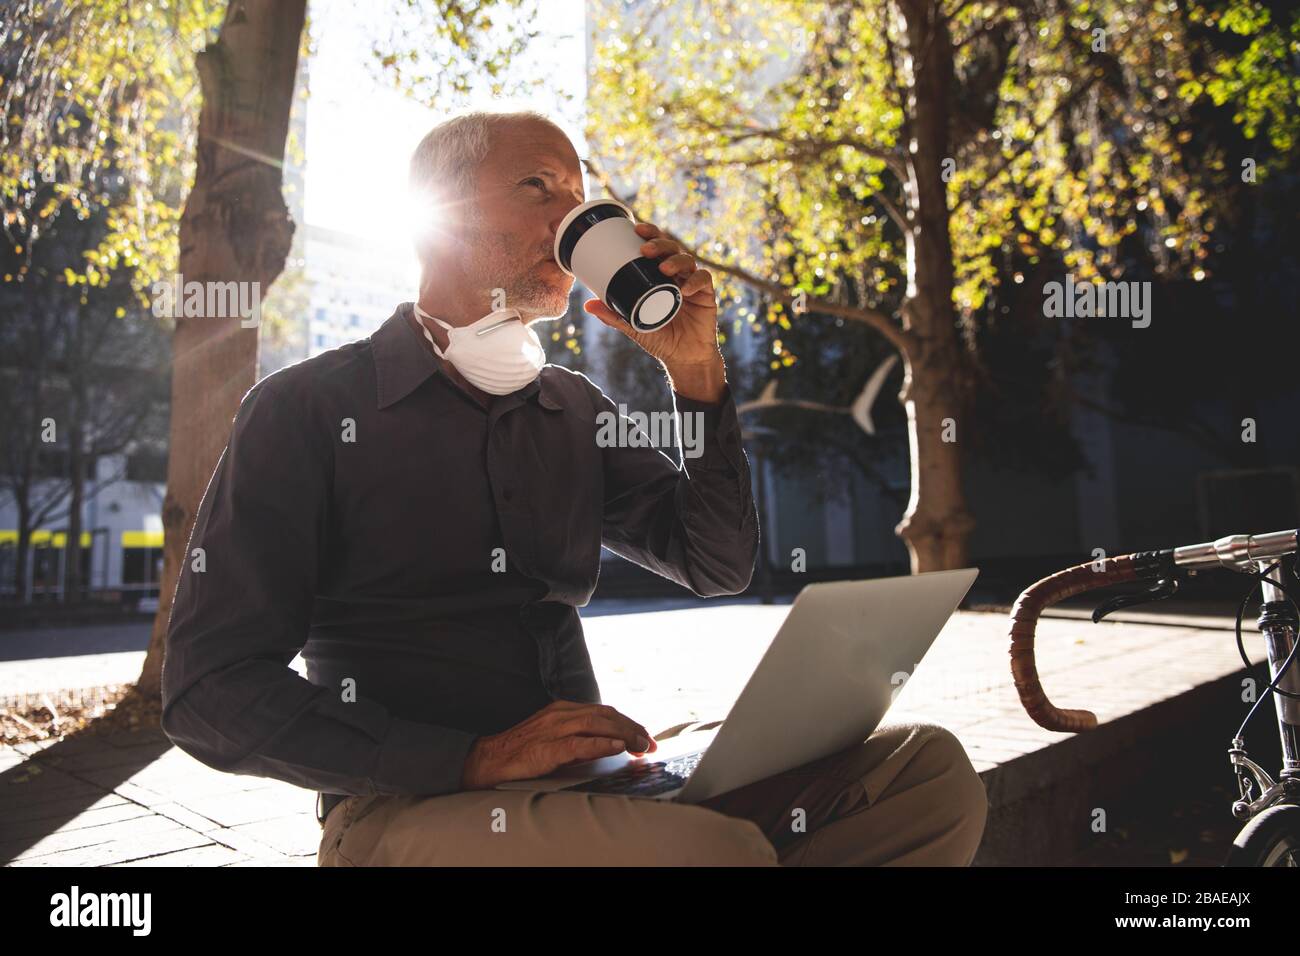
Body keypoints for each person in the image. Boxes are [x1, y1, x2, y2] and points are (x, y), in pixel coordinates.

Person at [160, 110, 987, 866]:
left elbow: (716, 563)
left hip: (589, 787)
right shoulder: (306, 408)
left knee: (929, 773)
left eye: (582, 196)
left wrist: (694, 370)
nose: (574, 219)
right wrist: (475, 758)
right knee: (706, 853)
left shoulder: (569, 407)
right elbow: (207, 689)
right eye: (540, 187)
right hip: (405, 809)